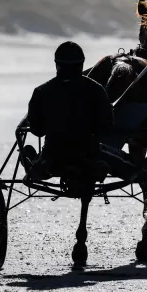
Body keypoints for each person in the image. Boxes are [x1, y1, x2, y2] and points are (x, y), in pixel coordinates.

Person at [24, 41, 113, 186]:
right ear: (82, 65)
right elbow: (107, 127)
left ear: (56, 64)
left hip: (53, 157)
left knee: (28, 152)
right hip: (90, 156)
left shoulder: (41, 92)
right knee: (127, 165)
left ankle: (35, 166)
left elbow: (37, 130)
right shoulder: (96, 90)